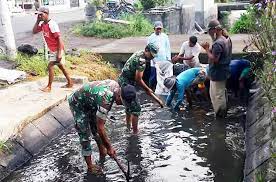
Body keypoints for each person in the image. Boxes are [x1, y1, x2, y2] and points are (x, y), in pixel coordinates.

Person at [68, 80, 122, 173]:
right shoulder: (106, 100)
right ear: (119, 96)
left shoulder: (116, 87)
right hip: (78, 103)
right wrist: (109, 147)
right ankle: (90, 166)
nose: (121, 104)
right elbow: (100, 127)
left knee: (96, 131)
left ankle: (102, 152)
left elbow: (99, 128)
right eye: (122, 102)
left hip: (91, 103)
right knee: (84, 134)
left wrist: (105, 147)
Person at [118, 43, 164, 134]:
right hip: (127, 83)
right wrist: (147, 89)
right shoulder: (142, 61)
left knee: (129, 106)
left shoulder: (139, 53)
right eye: (151, 55)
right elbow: (138, 79)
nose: (152, 57)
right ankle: (135, 133)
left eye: (154, 55)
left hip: (122, 80)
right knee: (136, 109)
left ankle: (128, 128)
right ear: (146, 50)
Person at [33, 6, 73, 92]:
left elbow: (59, 39)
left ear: (46, 14)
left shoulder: (52, 24)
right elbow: (34, 31)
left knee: (50, 66)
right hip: (53, 49)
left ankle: (49, 87)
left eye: (41, 15)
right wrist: (37, 21)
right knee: (61, 66)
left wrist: (59, 53)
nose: (40, 16)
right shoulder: (43, 24)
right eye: (38, 15)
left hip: (57, 49)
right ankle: (70, 82)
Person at [201, 19, 232, 118]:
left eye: (209, 31)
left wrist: (206, 49)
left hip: (218, 73)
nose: (209, 34)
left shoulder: (218, 43)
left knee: (217, 95)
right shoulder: (226, 39)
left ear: (214, 30)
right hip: (223, 71)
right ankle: (222, 112)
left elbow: (215, 59)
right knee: (220, 93)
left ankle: (220, 116)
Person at [147, 21, 171, 90]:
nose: (159, 30)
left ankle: (162, 89)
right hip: (154, 60)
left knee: (163, 76)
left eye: (160, 29)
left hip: (163, 59)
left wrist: (168, 58)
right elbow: (149, 49)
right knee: (153, 76)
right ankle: (150, 89)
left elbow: (167, 48)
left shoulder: (165, 36)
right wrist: (152, 59)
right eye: (157, 29)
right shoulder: (151, 38)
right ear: (154, 29)